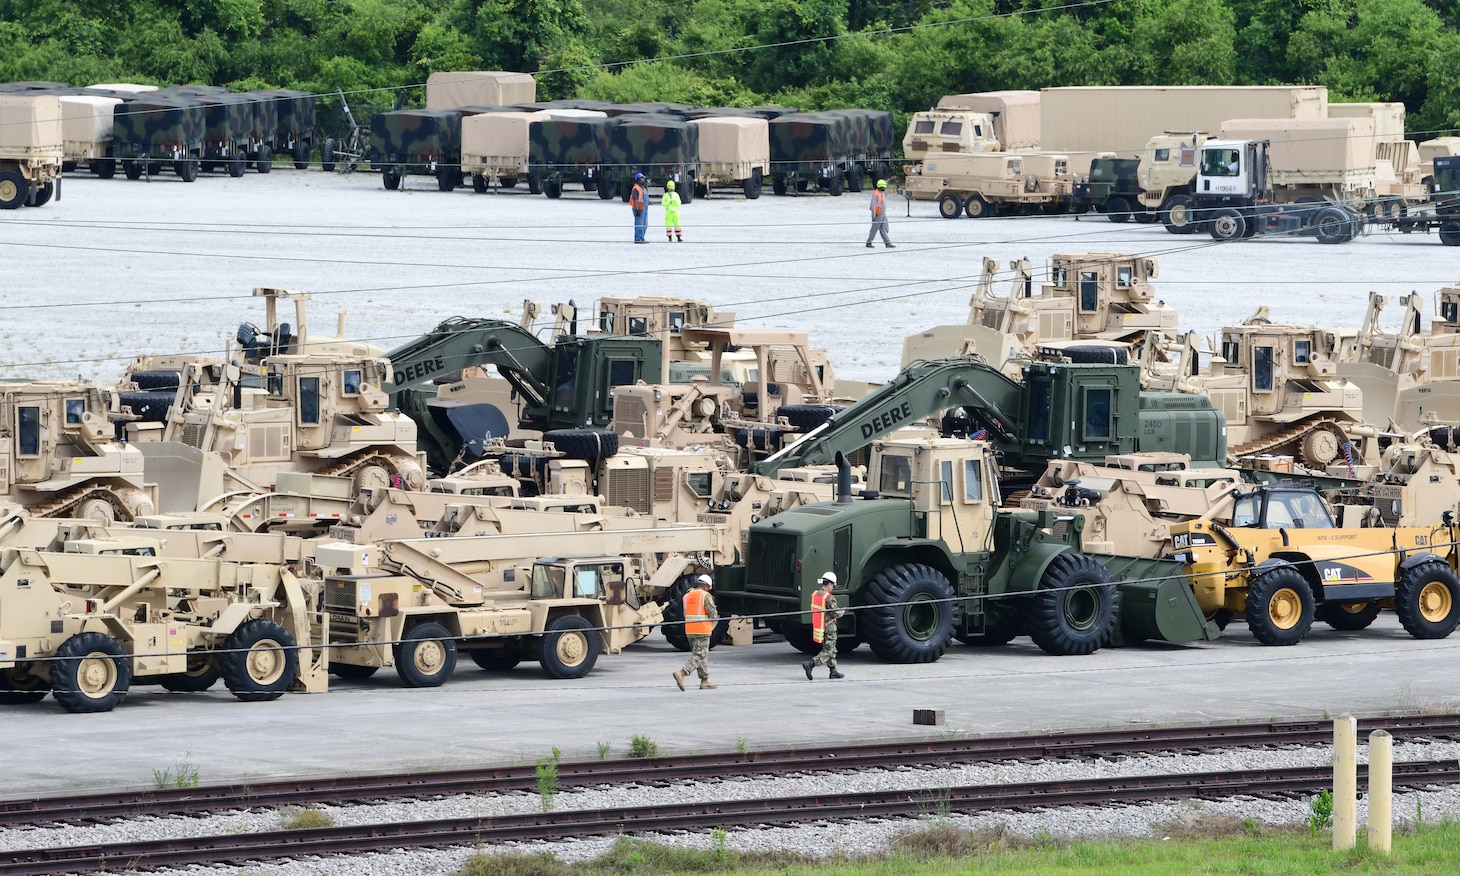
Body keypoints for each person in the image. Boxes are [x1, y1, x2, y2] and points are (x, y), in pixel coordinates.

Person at [673, 573, 719, 690]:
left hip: (690, 630)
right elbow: (712, 614)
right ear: (706, 586)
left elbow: (685, 612)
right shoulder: (705, 596)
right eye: (709, 587)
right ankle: (682, 673)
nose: (709, 589)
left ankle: (704, 680)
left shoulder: (687, 596)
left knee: (702, 654)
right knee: (699, 655)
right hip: (702, 630)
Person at [802, 571, 846, 680]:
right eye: (833, 585)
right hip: (830, 627)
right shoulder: (828, 597)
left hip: (821, 626)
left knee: (832, 648)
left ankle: (833, 671)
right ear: (829, 584)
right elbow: (835, 612)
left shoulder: (817, 594)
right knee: (828, 650)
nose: (833, 588)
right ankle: (811, 664)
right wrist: (843, 611)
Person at [866, 179, 894, 249]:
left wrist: (890, 179)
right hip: (878, 214)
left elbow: (885, 182)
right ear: (879, 187)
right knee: (874, 229)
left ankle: (887, 243)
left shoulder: (881, 192)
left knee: (884, 228)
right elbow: (873, 206)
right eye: (883, 187)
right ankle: (869, 242)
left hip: (883, 213)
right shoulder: (876, 194)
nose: (884, 188)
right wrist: (873, 215)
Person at [630, 172, 650, 243]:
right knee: (639, 225)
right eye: (642, 178)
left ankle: (642, 237)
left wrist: (649, 202)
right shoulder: (636, 188)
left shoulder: (643, 188)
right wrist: (637, 209)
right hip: (639, 209)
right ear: (638, 179)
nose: (643, 179)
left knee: (645, 224)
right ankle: (638, 239)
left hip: (644, 209)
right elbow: (634, 199)